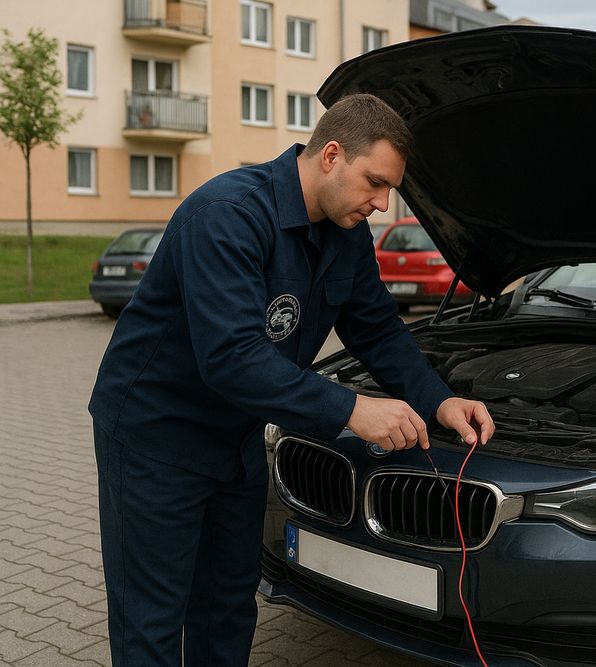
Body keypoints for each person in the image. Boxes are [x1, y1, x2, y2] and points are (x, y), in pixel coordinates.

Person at [88, 93, 494, 666]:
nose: (381, 205)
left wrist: (439, 401)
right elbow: (231, 357)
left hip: (234, 439)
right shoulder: (228, 215)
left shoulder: (344, 232)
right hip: (158, 437)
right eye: (374, 183)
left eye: (389, 191)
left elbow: (376, 327)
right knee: (152, 617)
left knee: (228, 606)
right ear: (331, 155)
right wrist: (354, 410)